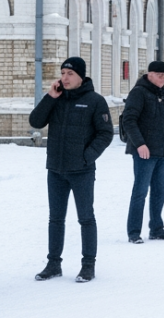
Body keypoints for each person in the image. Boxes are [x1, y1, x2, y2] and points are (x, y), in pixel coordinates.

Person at [27, 56, 115, 283]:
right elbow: (36, 121)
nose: (65, 78)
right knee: (55, 219)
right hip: (56, 169)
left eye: (70, 74)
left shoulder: (95, 101)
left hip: (82, 171)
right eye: (63, 73)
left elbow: (105, 133)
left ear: (81, 77)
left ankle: (88, 265)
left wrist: (87, 157)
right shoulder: (56, 98)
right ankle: (53, 264)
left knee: (86, 218)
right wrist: (50, 97)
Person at [120, 60, 164, 243]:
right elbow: (129, 120)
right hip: (144, 152)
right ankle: (134, 232)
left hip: (161, 152)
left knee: (160, 191)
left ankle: (157, 228)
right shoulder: (139, 93)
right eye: (160, 75)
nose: (163, 78)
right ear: (149, 74)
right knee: (140, 192)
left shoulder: (161, 95)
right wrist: (139, 144)